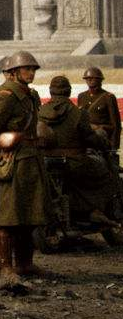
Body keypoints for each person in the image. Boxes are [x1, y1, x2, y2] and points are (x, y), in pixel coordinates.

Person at [0, 51, 50, 281]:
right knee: (8, 216)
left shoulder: (31, 95)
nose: (31, 73)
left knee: (29, 214)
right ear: (13, 72)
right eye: (27, 69)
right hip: (14, 161)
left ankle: (25, 264)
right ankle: (5, 268)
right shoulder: (6, 94)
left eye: (33, 69)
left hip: (31, 160)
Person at [39, 75, 117, 225]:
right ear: (68, 92)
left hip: (46, 162)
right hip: (74, 162)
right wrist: (102, 142)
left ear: (51, 92)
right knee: (104, 174)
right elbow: (89, 138)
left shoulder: (41, 111)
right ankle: (95, 209)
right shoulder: (78, 113)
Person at [78, 66, 121, 168]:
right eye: (88, 79)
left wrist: (114, 148)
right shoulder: (82, 96)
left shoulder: (108, 97)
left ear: (100, 80)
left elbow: (116, 124)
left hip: (102, 135)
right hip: (86, 135)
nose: (91, 81)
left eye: (94, 78)